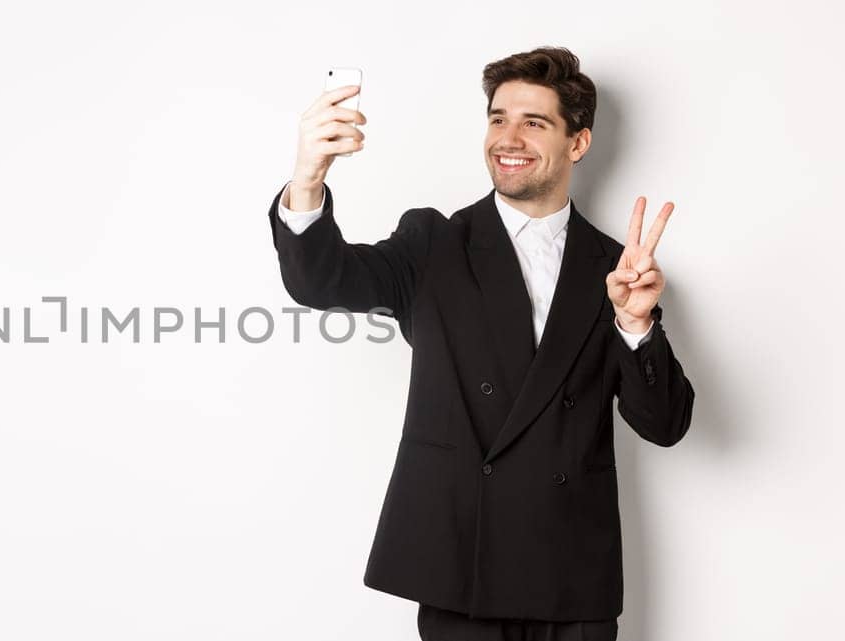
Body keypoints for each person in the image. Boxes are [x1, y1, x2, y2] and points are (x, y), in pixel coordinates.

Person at [266, 47, 696, 641]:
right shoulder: (433, 243)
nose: (508, 137)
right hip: (463, 568)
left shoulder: (615, 269)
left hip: (571, 575)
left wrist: (635, 325)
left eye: (534, 122)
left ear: (578, 143)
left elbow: (666, 424)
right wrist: (308, 177)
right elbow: (320, 279)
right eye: (498, 118)